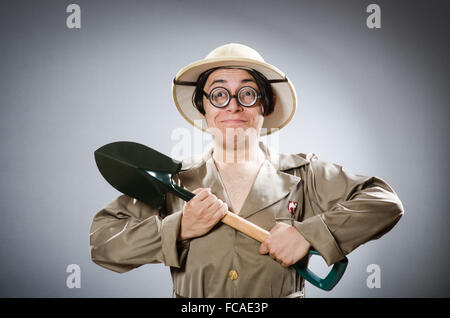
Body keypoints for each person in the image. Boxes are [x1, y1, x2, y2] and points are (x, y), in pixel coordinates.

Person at [89, 43, 404, 298]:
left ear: (264, 106)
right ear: (204, 107)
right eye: (219, 94)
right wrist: (180, 227)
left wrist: (308, 235)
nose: (233, 106)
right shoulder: (174, 180)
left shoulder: (305, 175)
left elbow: (384, 202)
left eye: (248, 93)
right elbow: (103, 244)